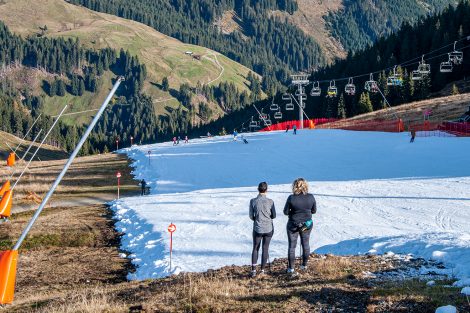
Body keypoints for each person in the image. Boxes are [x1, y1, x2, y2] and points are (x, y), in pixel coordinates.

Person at [283, 178, 316, 275]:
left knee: (292, 247)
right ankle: (304, 265)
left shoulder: (291, 198)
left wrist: (292, 212)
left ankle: (291, 269)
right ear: (305, 186)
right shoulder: (311, 197)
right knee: (305, 244)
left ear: (295, 186)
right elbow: (314, 211)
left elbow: (285, 212)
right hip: (306, 225)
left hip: (293, 224)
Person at [249, 182, 276, 277]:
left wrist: (257, 218)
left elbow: (251, 216)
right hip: (268, 228)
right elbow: (274, 215)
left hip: (257, 228)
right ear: (266, 190)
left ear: (258, 189)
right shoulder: (271, 201)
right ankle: (263, 270)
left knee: (255, 248)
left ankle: (253, 270)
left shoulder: (253, 201)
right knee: (265, 248)